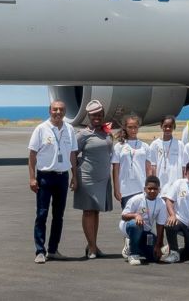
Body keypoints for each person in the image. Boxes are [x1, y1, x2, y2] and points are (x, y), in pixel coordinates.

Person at [27, 100, 74, 264]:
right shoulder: (41, 129)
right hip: (45, 177)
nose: (58, 112)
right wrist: (32, 178)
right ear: (50, 111)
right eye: (55, 109)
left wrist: (75, 175)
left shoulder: (70, 129)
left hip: (62, 177)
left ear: (64, 112)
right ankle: (40, 250)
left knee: (58, 216)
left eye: (61, 109)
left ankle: (53, 250)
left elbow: (73, 154)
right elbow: (32, 155)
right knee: (41, 214)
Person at [70, 99, 116, 260]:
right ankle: (91, 247)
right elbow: (73, 154)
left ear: (103, 115)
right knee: (88, 211)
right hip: (87, 177)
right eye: (94, 115)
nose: (97, 117)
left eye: (99, 114)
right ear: (89, 116)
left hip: (103, 178)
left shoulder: (105, 132)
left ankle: (93, 245)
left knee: (96, 212)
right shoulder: (83, 134)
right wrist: (74, 176)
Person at [120, 175, 166, 265]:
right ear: (145, 189)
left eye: (155, 189)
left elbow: (160, 225)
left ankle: (133, 244)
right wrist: (136, 215)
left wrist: (158, 245)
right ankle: (133, 254)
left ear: (159, 190)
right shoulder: (136, 199)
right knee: (136, 225)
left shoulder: (161, 203)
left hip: (146, 231)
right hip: (130, 227)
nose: (152, 191)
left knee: (155, 258)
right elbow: (123, 216)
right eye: (149, 188)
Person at [113, 114, 148, 207]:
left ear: (138, 127)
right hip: (125, 190)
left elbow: (148, 169)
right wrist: (116, 188)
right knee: (129, 219)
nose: (133, 130)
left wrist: (149, 186)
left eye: (135, 127)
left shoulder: (144, 146)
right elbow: (115, 170)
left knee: (142, 219)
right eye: (130, 127)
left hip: (141, 188)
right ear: (125, 127)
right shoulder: (119, 146)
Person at [148, 115, 184, 188]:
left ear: (174, 127)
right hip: (160, 183)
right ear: (161, 126)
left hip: (176, 183)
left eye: (170, 126)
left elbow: (183, 167)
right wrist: (155, 183)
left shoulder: (180, 144)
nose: (168, 128)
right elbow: (153, 166)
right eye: (165, 126)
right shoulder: (155, 144)